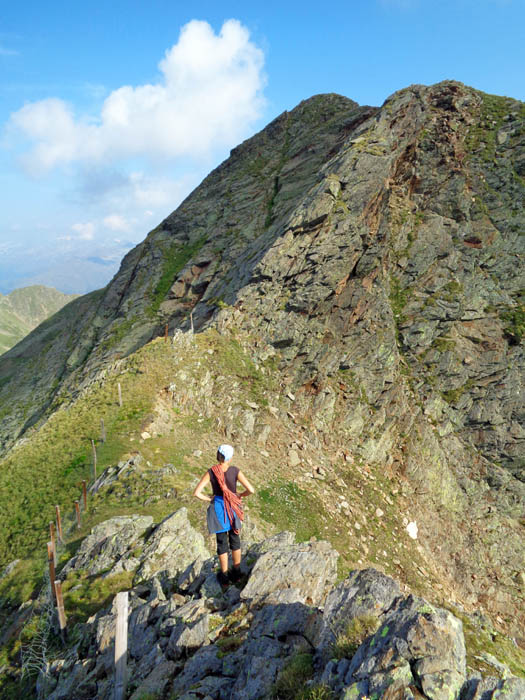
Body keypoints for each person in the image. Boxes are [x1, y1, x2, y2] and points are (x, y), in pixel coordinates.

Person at [193, 444, 255, 585]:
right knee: (235, 540)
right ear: (230, 458)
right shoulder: (235, 471)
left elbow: (196, 493)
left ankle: (224, 575)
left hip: (219, 509)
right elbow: (251, 489)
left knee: (222, 543)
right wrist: (239, 495)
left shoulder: (211, 472)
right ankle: (237, 573)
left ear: (218, 455)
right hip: (232, 508)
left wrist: (210, 499)